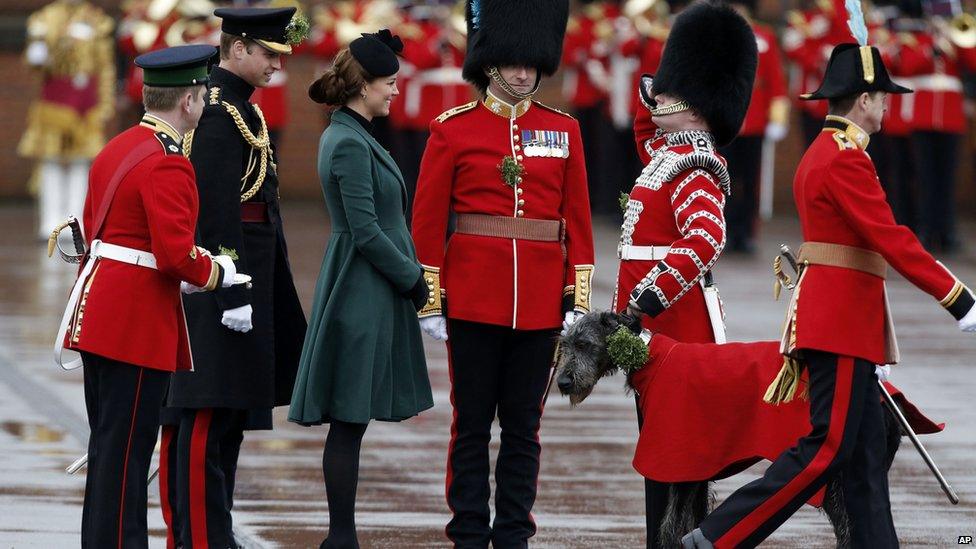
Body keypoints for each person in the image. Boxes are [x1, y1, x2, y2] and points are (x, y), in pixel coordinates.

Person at [682, 41, 976, 549]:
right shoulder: (844, 160)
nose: (887, 105)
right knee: (826, 449)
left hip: (847, 320)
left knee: (862, 459)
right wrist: (959, 299)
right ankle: (717, 536)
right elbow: (893, 240)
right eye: (882, 96)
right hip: (840, 323)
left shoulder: (832, 152)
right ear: (863, 100)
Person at [410, 0, 594, 545]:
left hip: (539, 305)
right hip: (471, 300)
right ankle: (468, 528)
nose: (523, 73)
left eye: (530, 64)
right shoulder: (453, 129)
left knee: (523, 429)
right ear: (490, 63)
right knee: (469, 426)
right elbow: (426, 222)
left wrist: (576, 296)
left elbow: (576, 221)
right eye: (513, 63)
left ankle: (514, 530)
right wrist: (431, 299)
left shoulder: (563, 130)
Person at [53, 44, 237, 548]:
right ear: (190, 101)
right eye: (202, 96)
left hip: (97, 311)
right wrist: (220, 272)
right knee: (128, 454)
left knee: (111, 449)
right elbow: (176, 255)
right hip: (133, 323)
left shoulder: (118, 146)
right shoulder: (168, 162)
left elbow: (98, 228)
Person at [162, 7, 308, 548]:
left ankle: (207, 530)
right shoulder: (220, 111)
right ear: (238, 48)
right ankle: (201, 537)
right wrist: (231, 289)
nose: (275, 64)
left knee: (227, 412)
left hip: (247, 268)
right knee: (206, 409)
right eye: (268, 54)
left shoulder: (241, 107)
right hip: (225, 276)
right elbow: (217, 209)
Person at [288, 29, 435, 548]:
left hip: (370, 285)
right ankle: (341, 536)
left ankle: (342, 534)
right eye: (389, 83)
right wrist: (415, 281)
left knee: (353, 418)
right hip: (361, 288)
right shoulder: (347, 140)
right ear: (363, 85)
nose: (395, 91)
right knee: (349, 417)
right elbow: (366, 229)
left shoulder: (355, 133)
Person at [618, 2, 757, 546]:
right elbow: (643, 122)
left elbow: (705, 239)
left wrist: (647, 300)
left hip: (675, 325)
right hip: (655, 327)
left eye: (673, 93)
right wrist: (668, 73)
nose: (659, 100)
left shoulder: (694, 164)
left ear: (698, 108)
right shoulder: (667, 152)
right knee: (661, 451)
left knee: (676, 461)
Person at [19, 0, 115, 240]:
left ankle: (75, 222)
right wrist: (38, 46)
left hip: (86, 105)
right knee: (51, 161)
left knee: (81, 164)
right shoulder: (43, 18)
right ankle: (50, 222)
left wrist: (106, 103)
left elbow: (105, 66)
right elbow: (34, 65)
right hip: (54, 103)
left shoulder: (97, 20)